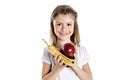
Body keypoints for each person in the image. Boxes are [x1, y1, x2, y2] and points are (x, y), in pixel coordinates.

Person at [42, 5, 93, 80]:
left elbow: (89, 78)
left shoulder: (81, 51)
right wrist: (58, 68)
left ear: (74, 26)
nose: (64, 28)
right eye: (59, 24)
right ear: (53, 26)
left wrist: (74, 66)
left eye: (68, 24)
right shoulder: (48, 51)